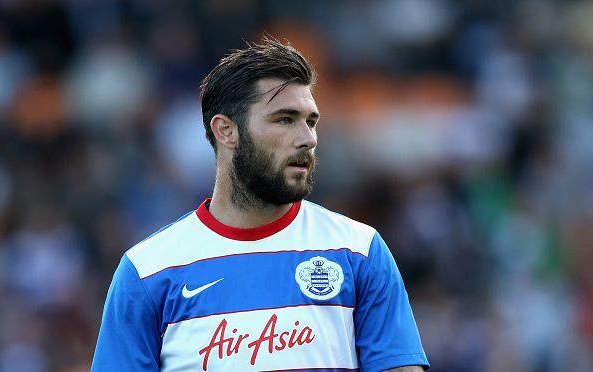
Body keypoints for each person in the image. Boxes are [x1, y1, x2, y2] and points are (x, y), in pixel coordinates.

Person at [91, 37, 429, 372]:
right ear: (226, 131)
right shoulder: (147, 271)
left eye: (310, 121)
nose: (308, 138)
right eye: (285, 119)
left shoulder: (358, 251)